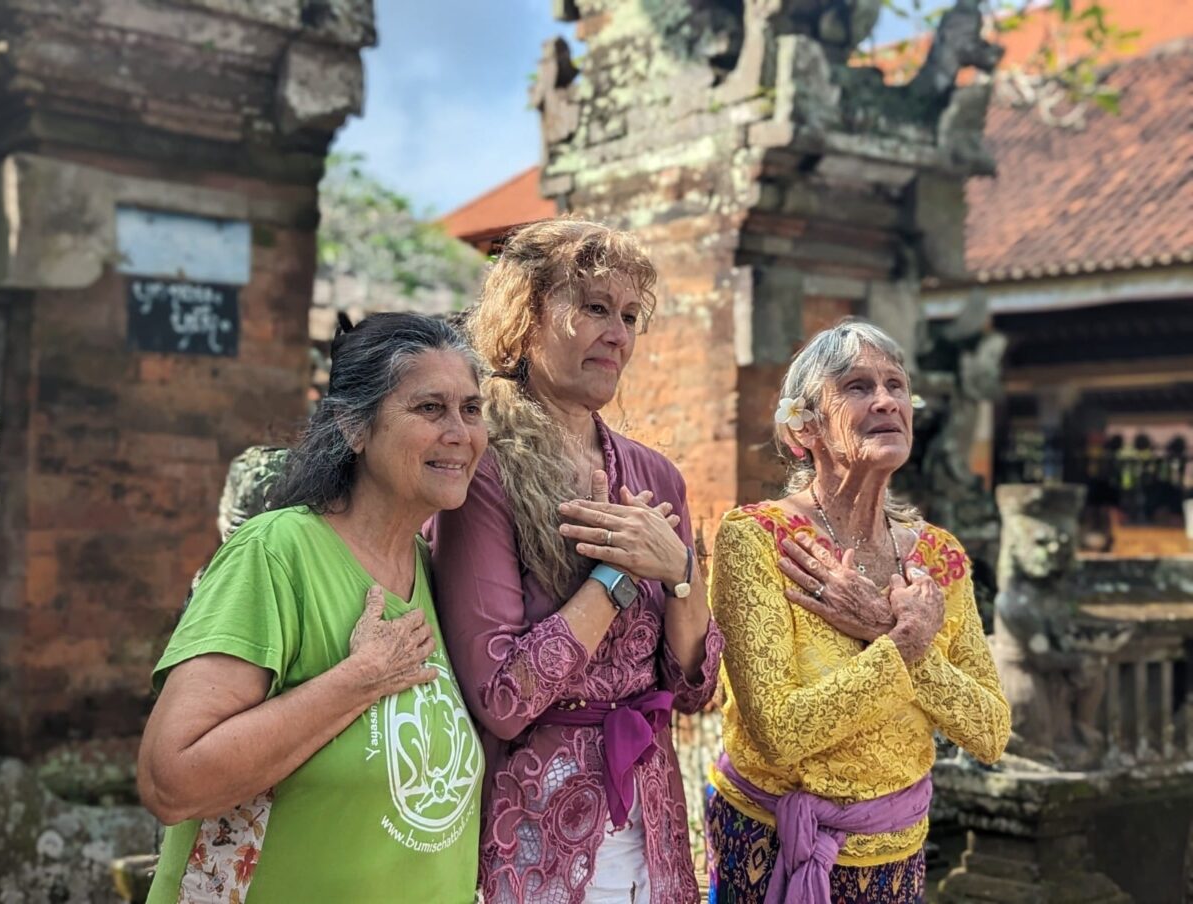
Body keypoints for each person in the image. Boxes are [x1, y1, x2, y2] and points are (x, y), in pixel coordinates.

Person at [138, 313, 488, 903]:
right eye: (430, 409)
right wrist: (358, 680)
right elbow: (171, 779)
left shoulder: (430, 571)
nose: (460, 433)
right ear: (354, 426)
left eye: (471, 409)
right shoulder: (276, 554)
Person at [428, 218, 723, 904]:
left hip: (652, 818)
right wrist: (617, 578)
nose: (617, 334)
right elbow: (503, 698)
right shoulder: (483, 465)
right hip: (537, 829)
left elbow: (696, 689)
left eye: (628, 315)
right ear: (527, 314)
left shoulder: (655, 476)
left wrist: (680, 570)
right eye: (593, 307)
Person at [705, 319, 1010, 904]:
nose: (886, 401)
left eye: (896, 385)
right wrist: (901, 647)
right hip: (770, 851)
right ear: (806, 426)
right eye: (857, 387)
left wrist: (883, 631)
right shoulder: (760, 539)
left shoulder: (939, 557)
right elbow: (778, 734)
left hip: (898, 859)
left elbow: (991, 730)